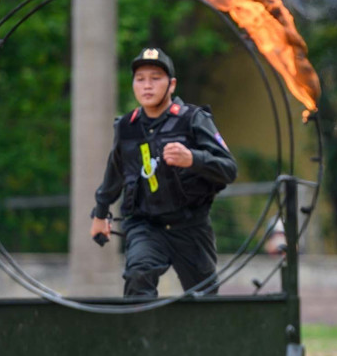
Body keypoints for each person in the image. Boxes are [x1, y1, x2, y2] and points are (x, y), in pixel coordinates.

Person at [90, 47, 237, 297]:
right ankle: (144, 337)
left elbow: (229, 169)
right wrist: (101, 213)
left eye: (156, 78)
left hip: (190, 227)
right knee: (138, 276)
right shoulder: (126, 127)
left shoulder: (193, 119)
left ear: (171, 84)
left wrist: (193, 159)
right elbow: (114, 171)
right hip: (146, 226)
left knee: (205, 301)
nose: (147, 86)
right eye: (141, 79)